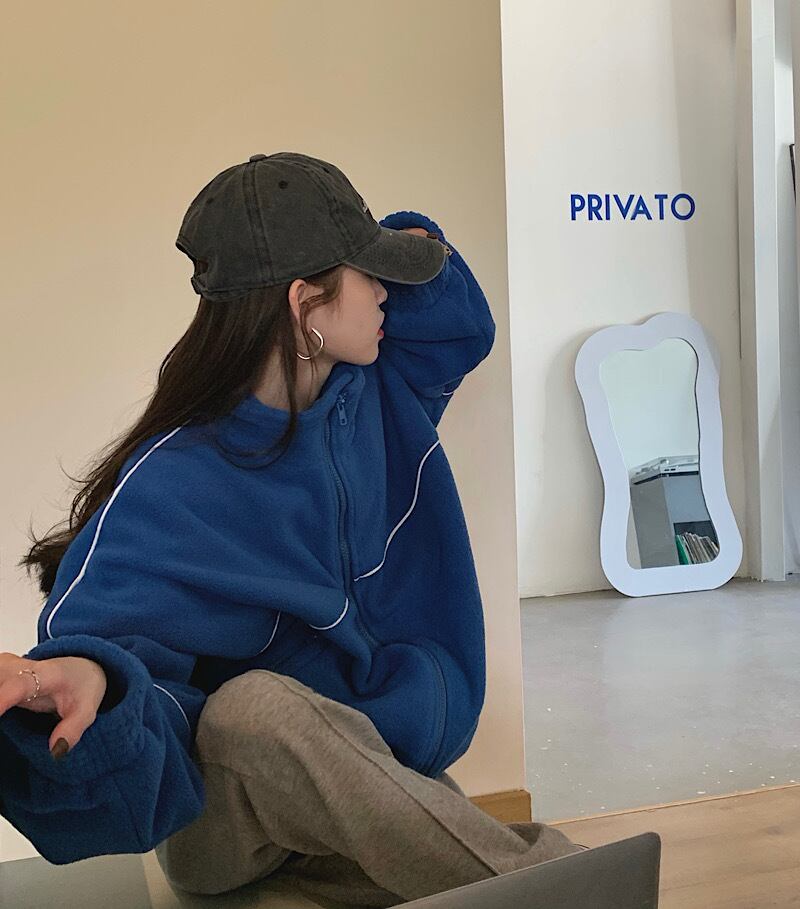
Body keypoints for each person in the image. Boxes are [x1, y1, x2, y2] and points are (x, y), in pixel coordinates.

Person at [0, 152, 583, 907]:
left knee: (436, 860)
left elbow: (461, 328)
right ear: (305, 303)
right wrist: (97, 678)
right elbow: (113, 653)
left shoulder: (379, 394)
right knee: (254, 709)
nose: (384, 291)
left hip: (364, 780)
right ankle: (574, 889)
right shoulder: (175, 480)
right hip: (228, 826)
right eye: (367, 274)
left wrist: (390, 239)